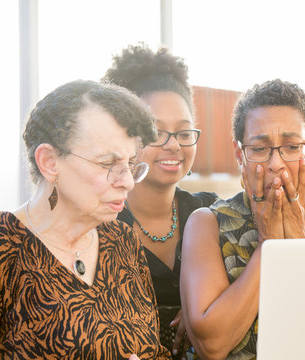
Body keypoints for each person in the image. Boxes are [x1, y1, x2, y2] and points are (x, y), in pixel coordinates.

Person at [179, 79, 305, 359]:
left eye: (292, 147)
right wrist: (268, 245)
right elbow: (212, 345)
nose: (275, 163)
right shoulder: (207, 224)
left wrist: (299, 245)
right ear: (239, 155)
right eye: (259, 149)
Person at [0, 80, 170, 359]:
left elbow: (155, 351)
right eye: (107, 164)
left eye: (130, 165)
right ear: (50, 162)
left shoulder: (123, 241)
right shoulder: (2, 246)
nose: (127, 182)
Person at [102, 43, 218, 358]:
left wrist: (204, 313)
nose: (173, 146)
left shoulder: (212, 213)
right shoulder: (101, 220)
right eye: (156, 133)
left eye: (183, 132)